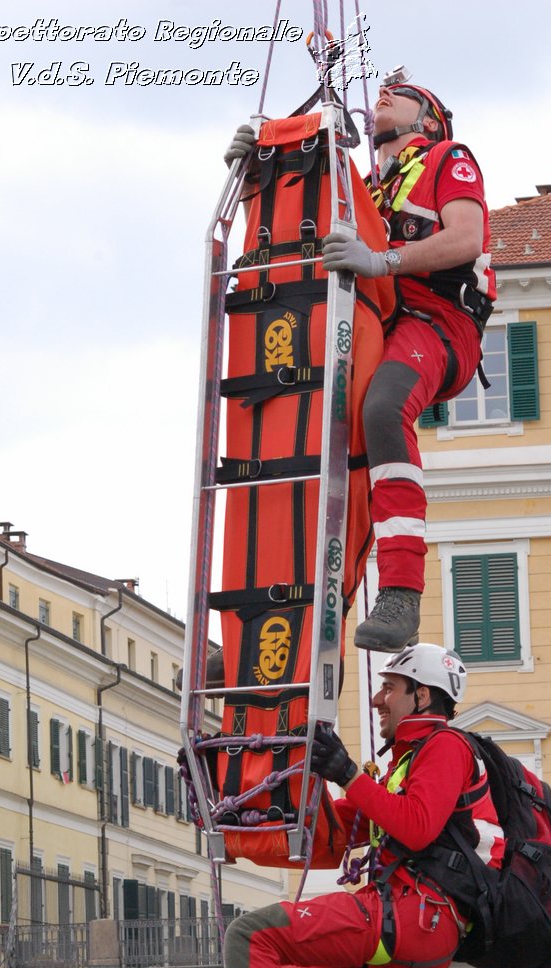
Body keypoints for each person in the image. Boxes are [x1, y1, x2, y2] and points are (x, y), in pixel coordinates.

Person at [120, 644, 504, 968]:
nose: (376, 698)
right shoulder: (407, 762)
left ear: (423, 695)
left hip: (415, 919)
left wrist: (346, 771)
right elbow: (330, 840)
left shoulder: (445, 747)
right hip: (409, 934)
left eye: (389, 687)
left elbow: (415, 826)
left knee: (250, 934)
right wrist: (232, 828)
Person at [226, 75, 496, 653]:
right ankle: (274, 611)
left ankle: (401, 589)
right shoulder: (365, 185)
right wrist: (258, 173)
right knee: (303, 436)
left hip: (436, 320)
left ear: (429, 119)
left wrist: (382, 259)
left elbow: (467, 237)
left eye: (400, 94)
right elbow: (296, 226)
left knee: (384, 407)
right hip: (373, 317)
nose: (382, 95)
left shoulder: (449, 158)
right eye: (381, 92)